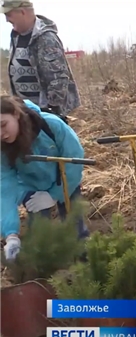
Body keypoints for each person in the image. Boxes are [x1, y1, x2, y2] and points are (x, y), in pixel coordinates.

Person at [1, 95, 89, 261]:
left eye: (3, 125)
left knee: (75, 227)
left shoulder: (51, 125)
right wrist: (11, 235)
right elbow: (4, 187)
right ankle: (43, 275)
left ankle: (85, 266)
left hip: (63, 179)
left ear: (16, 114)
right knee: (39, 233)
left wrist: (55, 195)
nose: (1, 134)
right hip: (31, 185)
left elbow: (74, 158)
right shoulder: (2, 147)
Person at [3, 0, 80, 118]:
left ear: (22, 12)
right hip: (26, 112)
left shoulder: (46, 38)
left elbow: (58, 78)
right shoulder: (16, 36)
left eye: (8, 15)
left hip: (44, 114)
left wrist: (50, 111)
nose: (7, 20)